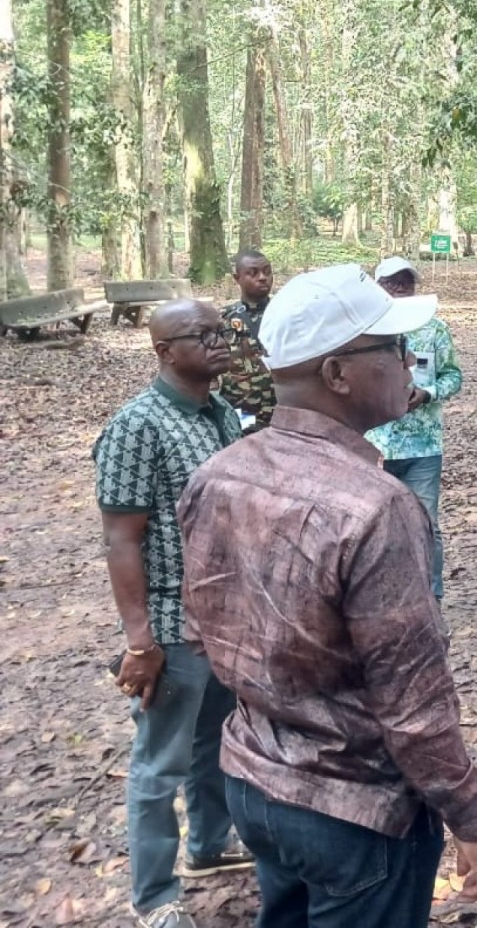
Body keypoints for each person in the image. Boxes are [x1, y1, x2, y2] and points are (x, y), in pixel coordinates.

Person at [178, 264, 477, 928]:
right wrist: (470, 816)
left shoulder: (218, 475)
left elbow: (205, 626)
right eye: (392, 349)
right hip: (354, 812)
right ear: (337, 373)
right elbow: (413, 704)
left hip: (253, 779)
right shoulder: (378, 508)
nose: (410, 361)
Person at [93, 299, 250, 928]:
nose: (221, 342)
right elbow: (120, 540)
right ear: (165, 351)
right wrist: (140, 641)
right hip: (172, 624)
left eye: (222, 331)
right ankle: (153, 897)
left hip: (225, 619)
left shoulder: (219, 415)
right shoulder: (138, 427)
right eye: (204, 335)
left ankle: (209, 847)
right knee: (160, 764)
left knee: (215, 741)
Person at [365, 256, 463, 599]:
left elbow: (453, 377)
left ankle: (430, 597)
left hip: (423, 448)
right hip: (374, 444)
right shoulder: (365, 330)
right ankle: (382, 596)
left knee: (425, 524)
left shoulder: (434, 329)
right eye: (392, 283)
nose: (401, 289)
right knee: (375, 525)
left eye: (406, 282)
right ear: (378, 287)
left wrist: (428, 392)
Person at [220, 250, 276, 433]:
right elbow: (209, 364)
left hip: (282, 413)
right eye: (253, 273)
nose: (262, 278)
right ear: (237, 278)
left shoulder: (286, 314)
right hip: (242, 413)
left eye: (267, 271)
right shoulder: (224, 320)